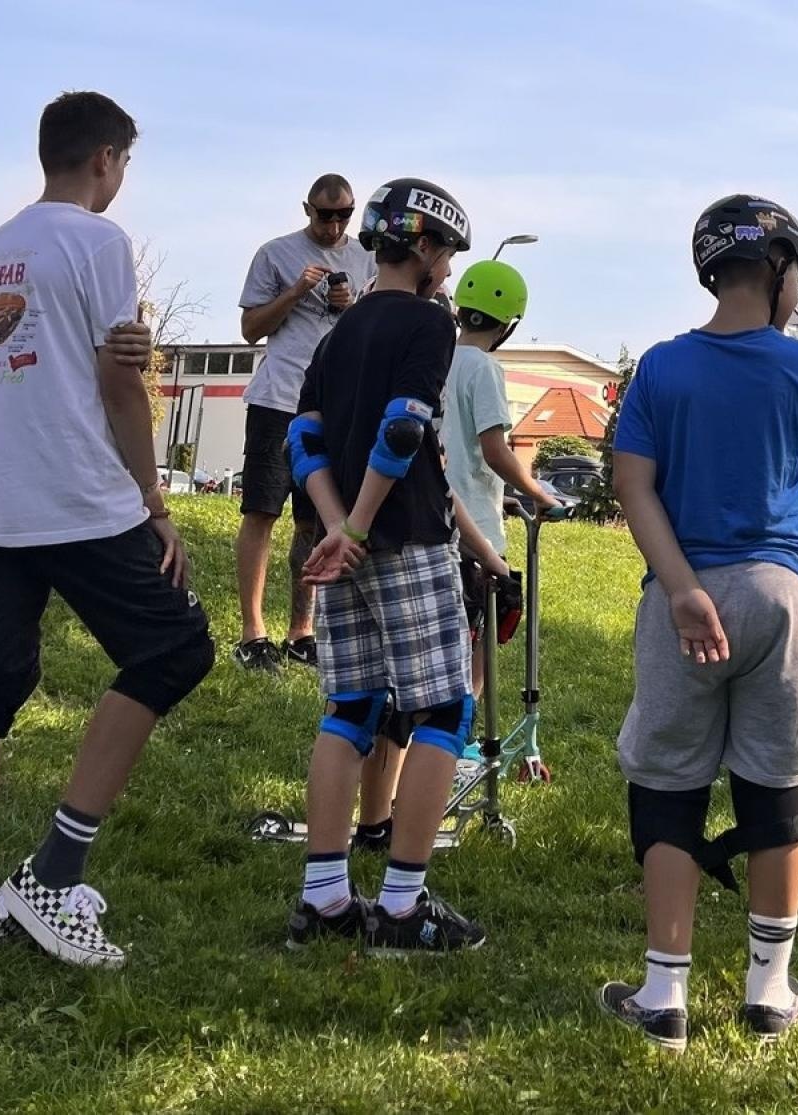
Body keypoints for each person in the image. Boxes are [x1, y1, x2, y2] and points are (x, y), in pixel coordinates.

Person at [0, 91, 214, 968]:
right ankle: (55, 871)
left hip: (1, 501)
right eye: (125, 163)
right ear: (105, 160)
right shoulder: (99, 240)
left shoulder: (2, 243)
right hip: (78, 494)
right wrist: (156, 504)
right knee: (174, 649)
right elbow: (120, 384)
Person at [599, 194, 798, 1051]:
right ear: (776, 269)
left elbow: (633, 484)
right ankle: (769, 993)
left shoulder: (660, 366)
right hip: (781, 593)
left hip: (681, 595)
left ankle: (664, 995)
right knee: (778, 783)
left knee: (667, 782)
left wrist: (682, 589)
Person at [283, 177, 507, 954]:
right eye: (445, 254)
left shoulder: (334, 336)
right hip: (404, 535)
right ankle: (403, 908)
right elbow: (406, 427)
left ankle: (324, 898)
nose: (446, 271)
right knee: (445, 711)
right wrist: (362, 523)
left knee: (350, 709)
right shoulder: (427, 325)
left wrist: (335, 522)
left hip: (339, 541)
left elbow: (302, 440)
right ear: (423, 246)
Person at [350, 259, 560, 853]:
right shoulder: (485, 368)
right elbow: (495, 449)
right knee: (471, 655)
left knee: (401, 673)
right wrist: (539, 493)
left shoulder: (436, 353)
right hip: (474, 534)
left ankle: (380, 804)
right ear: (510, 323)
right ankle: (458, 755)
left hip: (415, 518)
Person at [234, 174, 377, 672]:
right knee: (261, 511)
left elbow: (372, 329)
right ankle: (253, 633)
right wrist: (296, 291)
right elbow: (251, 329)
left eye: (344, 215)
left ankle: (302, 633)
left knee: (314, 521)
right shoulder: (275, 254)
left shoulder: (366, 258)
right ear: (307, 209)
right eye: (324, 215)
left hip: (333, 406)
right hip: (278, 400)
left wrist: (351, 307)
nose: (334, 225)